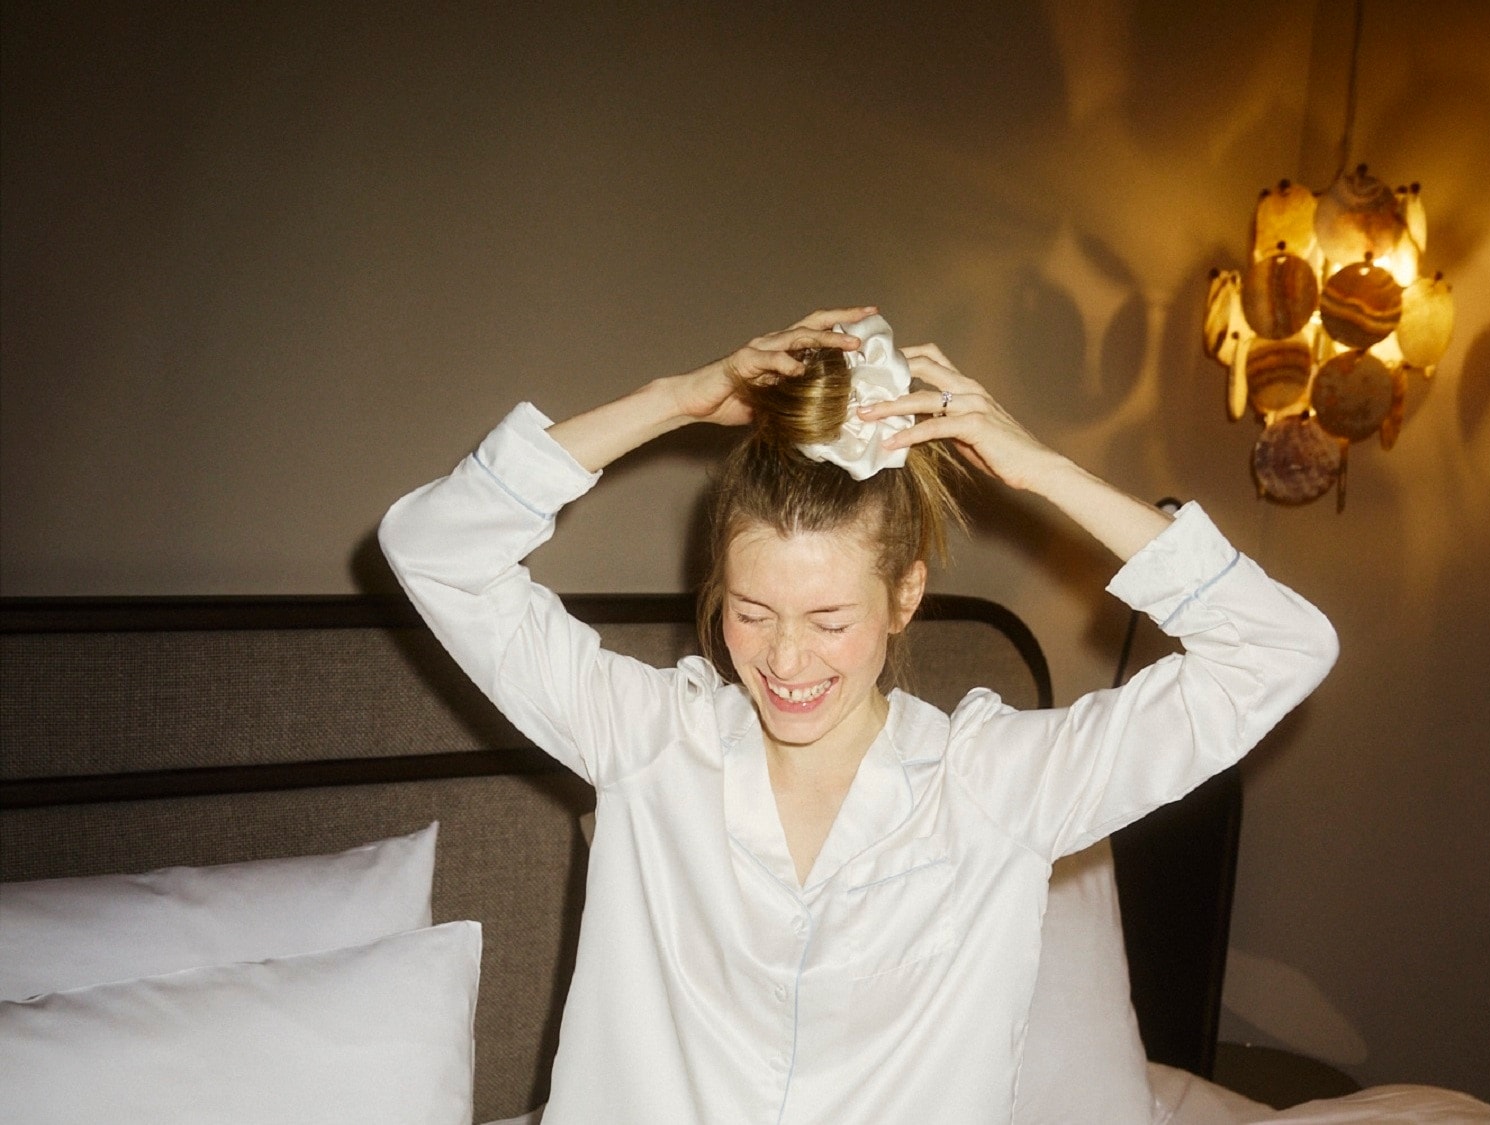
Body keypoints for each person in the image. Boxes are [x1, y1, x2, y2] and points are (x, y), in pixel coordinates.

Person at [379, 307, 1338, 1125]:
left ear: (904, 595)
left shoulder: (994, 783)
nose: (785, 660)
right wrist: (678, 399)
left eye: (829, 620)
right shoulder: (651, 742)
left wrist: (1042, 468)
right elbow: (433, 549)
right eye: (751, 612)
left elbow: (1281, 650)